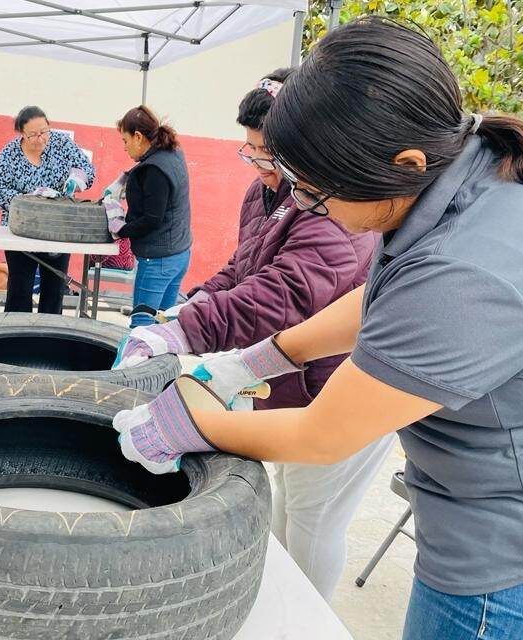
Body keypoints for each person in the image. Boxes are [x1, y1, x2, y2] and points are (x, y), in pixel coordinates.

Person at [112, 17, 523, 639]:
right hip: (500, 525)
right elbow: (384, 297)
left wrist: (188, 424)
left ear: (403, 163)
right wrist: (261, 358)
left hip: (513, 575)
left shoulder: (469, 270)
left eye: (316, 193)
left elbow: (323, 435)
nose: (308, 207)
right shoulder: (467, 172)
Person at [112, 69, 384, 601]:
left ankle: (306, 617)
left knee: (313, 517)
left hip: (343, 384)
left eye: (269, 154)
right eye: (250, 151)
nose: (259, 164)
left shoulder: (335, 206)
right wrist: (188, 306)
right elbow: (242, 270)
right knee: (285, 501)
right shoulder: (265, 193)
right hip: (290, 379)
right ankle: (279, 601)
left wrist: (189, 336)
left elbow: (286, 293)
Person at [0, 106, 95, 313]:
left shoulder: (62, 144)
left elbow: (87, 170)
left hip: (58, 228)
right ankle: (18, 330)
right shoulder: (9, 155)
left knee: (55, 287)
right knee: (20, 287)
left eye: (44, 132)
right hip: (22, 230)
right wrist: (31, 200)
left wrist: (77, 180)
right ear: (21, 133)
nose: (40, 139)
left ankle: (48, 331)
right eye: (33, 135)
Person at [104, 106, 192, 327]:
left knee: (141, 326)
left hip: (158, 259)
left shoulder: (154, 169)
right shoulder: (172, 152)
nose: (124, 147)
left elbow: (152, 219)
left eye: (125, 141)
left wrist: (120, 230)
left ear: (138, 137)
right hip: (180, 253)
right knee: (163, 324)